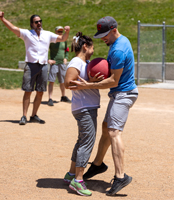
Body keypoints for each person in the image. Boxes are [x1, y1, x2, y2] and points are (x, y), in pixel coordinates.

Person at [69, 16, 138, 196]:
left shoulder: (119, 50)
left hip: (123, 94)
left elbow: (114, 81)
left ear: (114, 29)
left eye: (105, 35)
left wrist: (87, 85)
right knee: (107, 128)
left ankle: (120, 176)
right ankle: (98, 164)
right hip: (118, 93)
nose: (102, 39)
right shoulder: (119, 42)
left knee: (114, 132)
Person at [0, 11, 70, 125]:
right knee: (28, 91)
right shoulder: (27, 33)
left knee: (40, 92)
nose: (39, 23)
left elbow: (62, 39)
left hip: (43, 66)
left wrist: (67, 31)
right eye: (36, 22)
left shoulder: (47, 34)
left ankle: (34, 115)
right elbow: (13, 28)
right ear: (32, 24)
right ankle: (24, 116)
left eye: (40, 21)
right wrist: (3, 19)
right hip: (30, 66)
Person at [63, 32, 103, 196]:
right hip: (84, 108)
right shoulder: (76, 62)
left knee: (82, 141)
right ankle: (78, 180)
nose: (93, 50)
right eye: (92, 46)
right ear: (85, 46)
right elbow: (68, 84)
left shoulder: (83, 62)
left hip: (86, 107)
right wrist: (91, 83)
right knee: (87, 142)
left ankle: (71, 174)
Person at [47, 26, 71, 106]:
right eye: (59, 31)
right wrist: (48, 60)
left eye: (61, 31)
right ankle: (50, 98)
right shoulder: (52, 41)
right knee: (52, 81)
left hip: (62, 63)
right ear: (55, 32)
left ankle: (63, 96)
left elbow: (66, 50)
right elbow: (44, 49)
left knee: (62, 81)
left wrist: (66, 58)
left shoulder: (64, 40)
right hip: (54, 63)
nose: (60, 33)